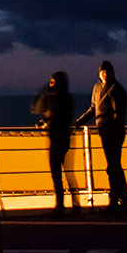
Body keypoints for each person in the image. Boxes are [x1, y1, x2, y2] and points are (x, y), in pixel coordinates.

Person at [77, 61, 127, 213]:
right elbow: (93, 109)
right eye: (102, 72)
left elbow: (118, 115)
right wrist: (78, 122)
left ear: (113, 73)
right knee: (113, 166)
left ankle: (119, 200)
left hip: (114, 133)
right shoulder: (97, 88)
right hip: (104, 132)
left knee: (113, 167)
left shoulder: (117, 89)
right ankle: (118, 200)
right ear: (99, 74)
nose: (105, 74)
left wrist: (113, 129)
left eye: (107, 72)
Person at [30, 71, 76, 211]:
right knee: (67, 173)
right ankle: (75, 203)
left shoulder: (58, 98)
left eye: (52, 82)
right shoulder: (67, 97)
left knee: (56, 173)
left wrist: (44, 94)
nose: (51, 84)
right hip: (65, 138)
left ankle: (60, 205)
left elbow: (39, 109)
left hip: (57, 138)